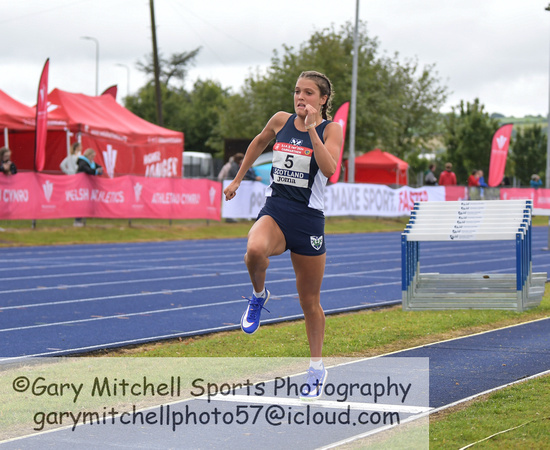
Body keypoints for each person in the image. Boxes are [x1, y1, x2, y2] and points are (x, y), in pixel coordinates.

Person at [224, 70, 342, 400]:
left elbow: (330, 169)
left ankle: (317, 368)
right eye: (297, 91)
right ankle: (259, 296)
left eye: (308, 93)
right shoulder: (280, 120)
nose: (300, 98)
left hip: (308, 221)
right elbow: (259, 142)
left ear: (322, 100)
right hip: (276, 209)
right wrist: (237, 178)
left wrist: (312, 132)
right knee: (254, 250)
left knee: (309, 301)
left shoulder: (331, 129)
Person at [74, 148, 103, 226]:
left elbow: (99, 167)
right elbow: (88, 170)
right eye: (92, 156)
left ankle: (83, 219)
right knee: (80, 202)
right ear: (88, 155)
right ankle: (77, 220)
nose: (93, 158)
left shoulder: (91, 162)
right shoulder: (82, 162)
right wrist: (97, 171)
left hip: (87, 186)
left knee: (85, 202)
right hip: (81, 186)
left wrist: (100, 170)